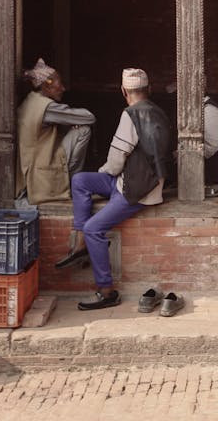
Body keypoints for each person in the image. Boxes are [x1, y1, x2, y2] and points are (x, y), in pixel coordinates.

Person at [55, 68, 172, 311]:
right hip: (143, 180)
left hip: (137, 188)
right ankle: (80, 242)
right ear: (148, 90)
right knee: (80, 181)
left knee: (93, 228)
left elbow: (117, 160)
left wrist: (104, 170)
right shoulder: (159, 112)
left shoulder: (130, 114)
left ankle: (106, 291)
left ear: (123, 91)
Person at [16, 58, 95, 206]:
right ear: (47, 85)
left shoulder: (30, 101)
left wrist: (69, 124)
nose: (63, 89)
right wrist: (73, 122)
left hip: (32, 169)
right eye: (60, 84)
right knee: (83, 130)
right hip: (41, 173)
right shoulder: (47, 107)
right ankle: (73, 184)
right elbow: (89, 118)